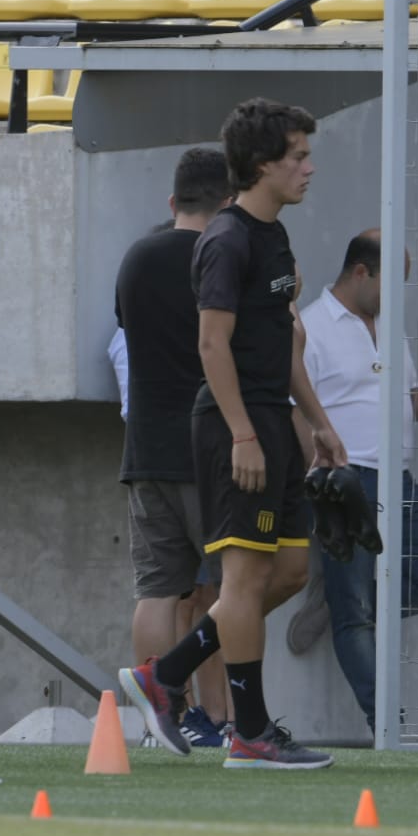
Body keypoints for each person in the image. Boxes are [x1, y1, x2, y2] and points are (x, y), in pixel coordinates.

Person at [120, 97, 348, 770]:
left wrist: (318, 422)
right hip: (234, 429)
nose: (309, 168)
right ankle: (248, 734)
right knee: (243, 582)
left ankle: (165, 677)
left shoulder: (274, 235)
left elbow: (282, 343)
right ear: (261, 164)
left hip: (273, 421)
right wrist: (244, 434)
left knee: (289, 572)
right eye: (297, 157)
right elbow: (211, 345)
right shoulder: (225, 239)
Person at [113, 148, 235, 749]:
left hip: (146, 451)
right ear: (229, 203)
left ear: (173, 200)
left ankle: (156, 721)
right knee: (230, 590)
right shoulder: (223, 256)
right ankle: (227, 719)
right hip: (209, 449)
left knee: (157, 591)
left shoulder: (136, 257)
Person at [299, 229, 418, 727]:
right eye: (392, 284)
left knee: (367, 600)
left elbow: (404, 399)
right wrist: (320, 483)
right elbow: (295, 409)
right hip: (347, 479)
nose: (397, 298)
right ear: (361, 272)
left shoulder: (388, 325)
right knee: (354, 618)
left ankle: (346, 597)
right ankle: (386, 725)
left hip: (399, 479)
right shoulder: (311, 327)